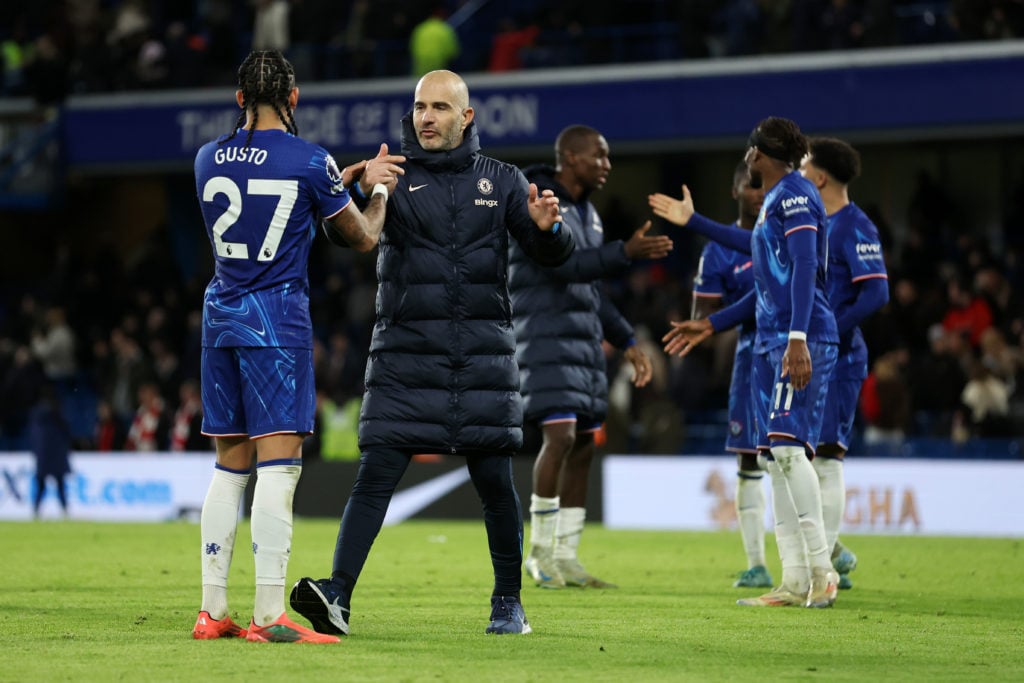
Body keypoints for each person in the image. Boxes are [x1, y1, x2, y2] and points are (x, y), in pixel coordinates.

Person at [290, 69, 574, 637]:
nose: (426, 117)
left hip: (482, 359)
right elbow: (344, 237)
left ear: (466, 117)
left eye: (441, 107)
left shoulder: (503, 179)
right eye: (420, 106)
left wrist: (549, 231)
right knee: (374, 477)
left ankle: (508, 604)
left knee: (496, 485)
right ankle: (338, 594)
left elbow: (552, 257)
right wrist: (351, 187)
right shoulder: (390, 176)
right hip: (405, 357)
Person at [191, 49, 404, 644]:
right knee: (278, 468)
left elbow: (269, 191)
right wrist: (378, 189)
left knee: (228, 465)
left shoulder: (207, 159)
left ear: (239, 99)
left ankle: (211, 612)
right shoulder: (311, 161)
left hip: (220, 315)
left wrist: (346, 174)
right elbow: (359, 237)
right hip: (275, 321)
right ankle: (268, 616)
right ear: (295, 97)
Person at [649, 116, 840, 608]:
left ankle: (822, 569)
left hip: (799, 338)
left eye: (750, 151)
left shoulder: (795, 194)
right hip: (777, 339)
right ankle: (794, 580)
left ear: (759, 155)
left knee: (789, 451)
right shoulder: (779, 200)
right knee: (777, 457)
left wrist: (797, 338)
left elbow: (801, 266)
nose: (747, 158)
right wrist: (710, 323)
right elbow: (755, 256)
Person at [510, 124, 672, 589]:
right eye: (598, 156)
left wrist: (627, 340)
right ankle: (539, 555)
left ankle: (567, 557)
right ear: (571, 158)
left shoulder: (589, 214)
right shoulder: (538, 201)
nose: (606, 164)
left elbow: (591, 290)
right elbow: (564, 266)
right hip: (542, 336)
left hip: (582, 342)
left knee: (582, 445)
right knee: (558, 438)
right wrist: (626, 252)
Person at [799, 137, 890, 589]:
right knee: (799, 456)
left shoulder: (856, 226)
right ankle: (831, 551)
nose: (798, 174)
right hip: (808, 354)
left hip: (839, 356)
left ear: (819, 177)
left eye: (803, 167)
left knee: (828, 458)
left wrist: (830, 329)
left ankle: (825, 567)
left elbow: (876, 292)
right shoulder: (813, 221)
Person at [689, 160, 770, 589]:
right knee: (748, 456)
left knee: (797, 455)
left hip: (792, 351)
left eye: (763, 185)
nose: (759, 193)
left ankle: (824, 551)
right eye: (750, 186)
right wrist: (701, 325)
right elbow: (702, 315)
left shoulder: (787, 231)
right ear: (736, 191)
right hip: (749, 355)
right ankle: (757, 563)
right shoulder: (718, 251)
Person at [29, 383, 72, 519]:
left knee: (41, 485)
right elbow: (67, 434)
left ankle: (36, 509)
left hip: (43, 456)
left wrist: (36, 453)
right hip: (57, 455)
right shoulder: (59, 414)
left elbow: (34, 439)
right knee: (60, 485)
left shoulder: (37, 417)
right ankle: (64, 510)